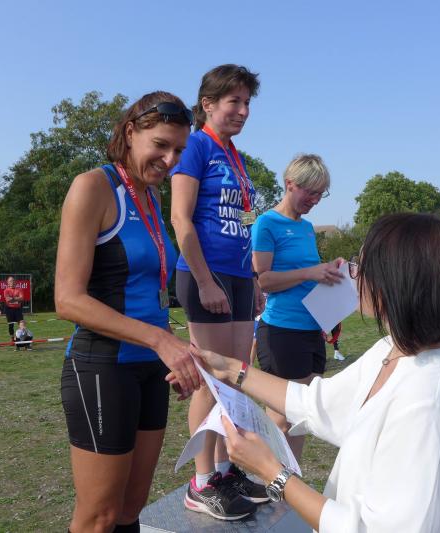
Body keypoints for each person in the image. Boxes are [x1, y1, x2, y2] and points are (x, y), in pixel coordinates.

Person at [188, 213, 440, 531]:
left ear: (395, 285)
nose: (354, 275)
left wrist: (274, 473)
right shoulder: (392, 349)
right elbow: (314, 402)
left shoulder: (425, 400)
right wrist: (231, 368)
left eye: (360, 266)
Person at [55, 91, 200, 533]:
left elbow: (145, 292)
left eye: (178, 150)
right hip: (103, 366)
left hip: (150, 369)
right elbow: (67, 299)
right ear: (131, 132)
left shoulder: (149, 196)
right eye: (160, 145)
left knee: (131, 509)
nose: (169, 160)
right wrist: (160, 341)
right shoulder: (93, 187)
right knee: (98, 516)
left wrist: (177, 350)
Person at [170, 64, 266, 519]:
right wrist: (206, 281)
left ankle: (227, 468)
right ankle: (202, 479)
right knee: (212, 379)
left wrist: (254, 278)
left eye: (247, 103)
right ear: (207, 104)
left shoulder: (236, 157)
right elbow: (181, 218)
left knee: (237, 378)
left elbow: (246, 220)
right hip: (205, 274)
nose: (243, 111)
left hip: (240, 276)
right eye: (234, 101)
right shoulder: (195, 146)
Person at [251, 153, 344, 461]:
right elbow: (264, 280)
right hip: (282, 331)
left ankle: (291, 481)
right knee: (281, 419)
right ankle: (271, 480)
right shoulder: (266, 223)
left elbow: (308, 274)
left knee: (301, 418)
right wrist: (309, 272)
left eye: (320, 194)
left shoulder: (306, 228)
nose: (315, 200)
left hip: (311, 330)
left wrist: (330, 272)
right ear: (290, 184)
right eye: (311, 192)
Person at [3, 276, 24, 340]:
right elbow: (8, 300)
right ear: (8, 283)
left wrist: (12, 299)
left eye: (13, 280)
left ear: (15, 282)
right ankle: (12, 338)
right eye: (10, 281)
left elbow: (21, 298)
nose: (12, 282)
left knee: (21, 323)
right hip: (9, 309)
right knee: (11, 325)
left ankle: (21, 337)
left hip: (18, 309)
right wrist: (17, 299)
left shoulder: (19, 289)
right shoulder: (6, 290)